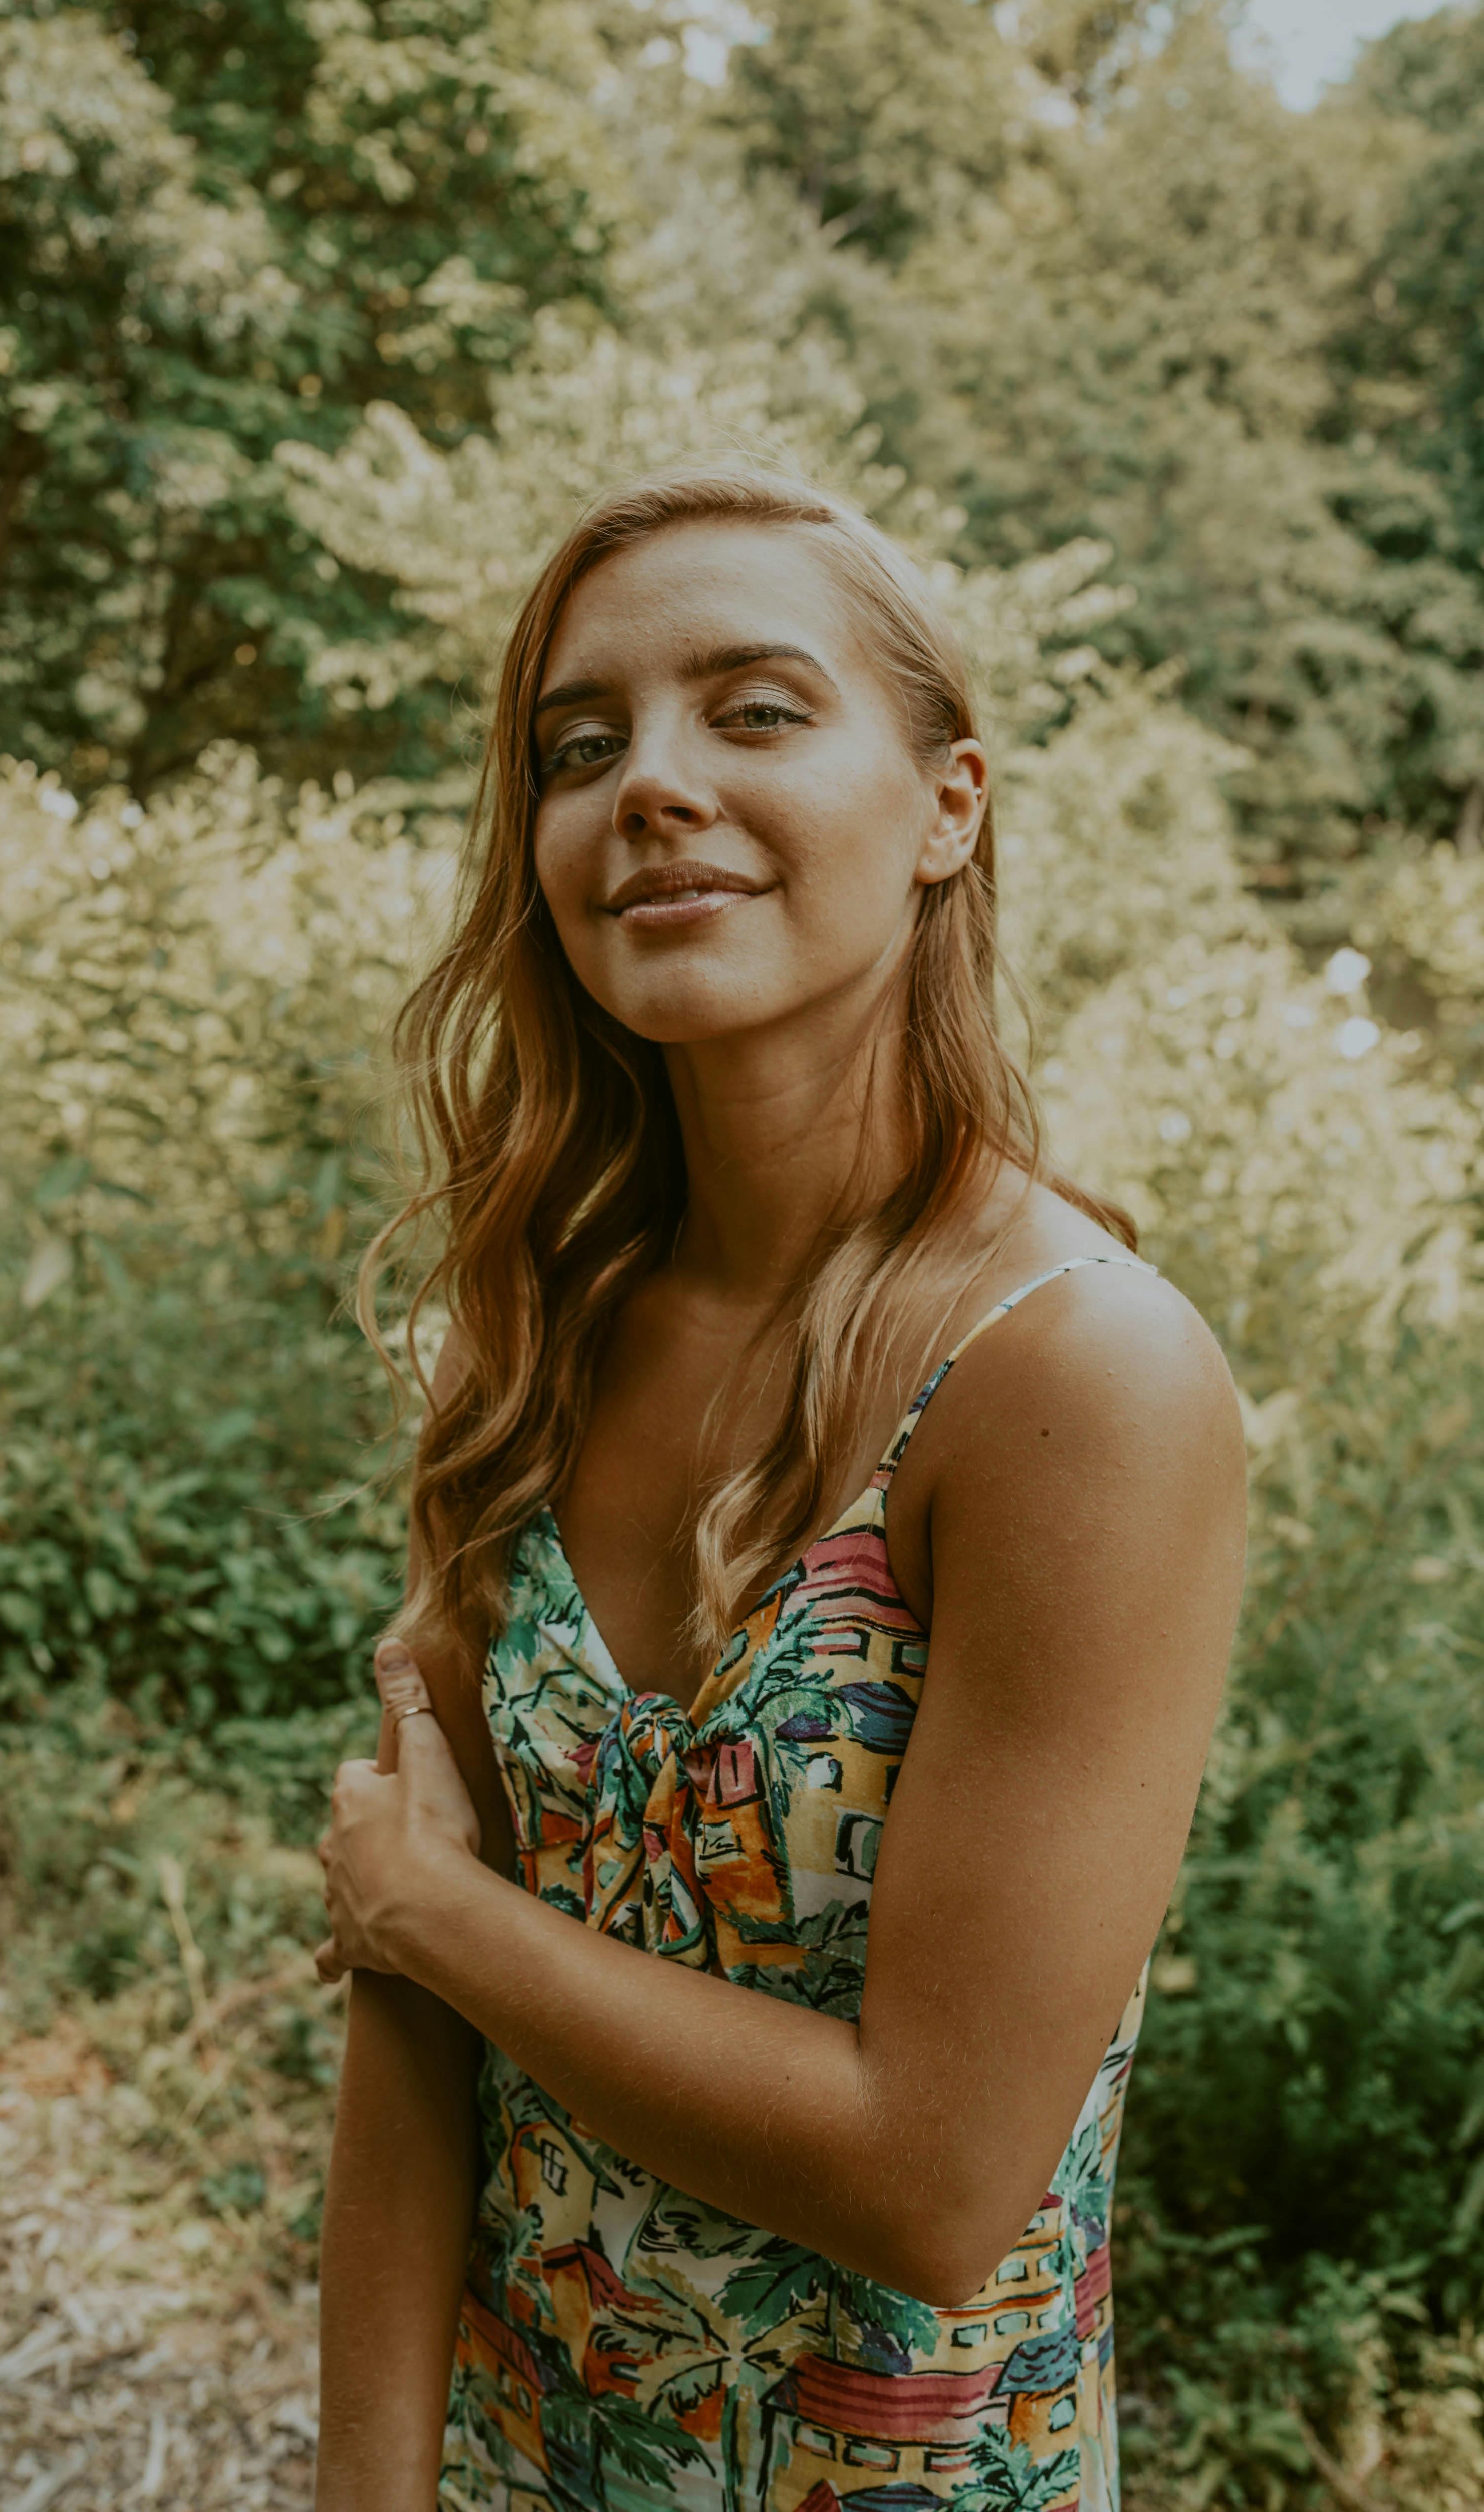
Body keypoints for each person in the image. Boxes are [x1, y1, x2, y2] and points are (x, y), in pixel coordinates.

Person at [310, 464, 1246, 2512]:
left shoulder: (1078, 1378)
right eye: (579, 744)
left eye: (752, 709)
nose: (646, 784)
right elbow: (407, 2028)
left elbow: (928, 2171)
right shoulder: (531, 1333)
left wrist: (443, 1916)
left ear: (946, 809)